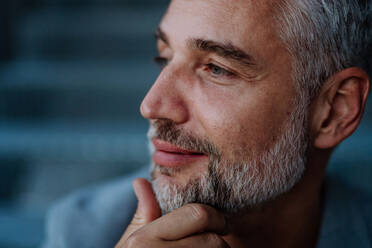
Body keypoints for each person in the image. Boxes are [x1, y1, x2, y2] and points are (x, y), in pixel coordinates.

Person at [42, 0, 372, 247]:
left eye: (217, 69)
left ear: (334, 111)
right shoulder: (80, 231)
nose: (151, 105)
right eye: (164, 57)